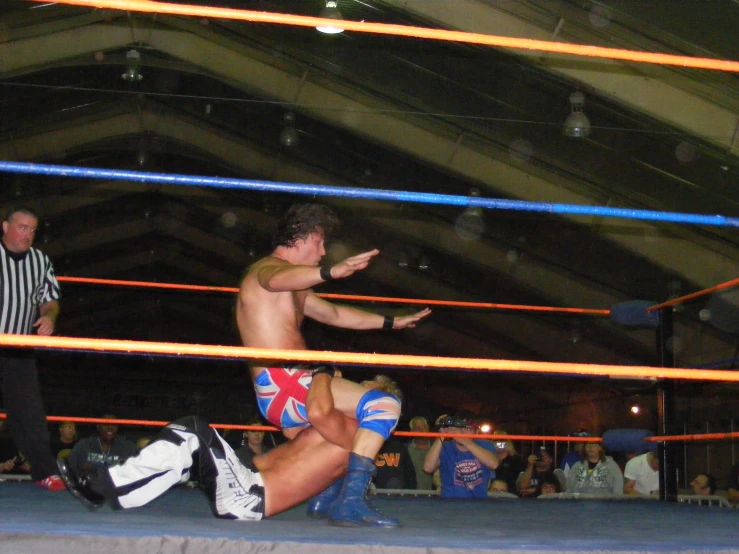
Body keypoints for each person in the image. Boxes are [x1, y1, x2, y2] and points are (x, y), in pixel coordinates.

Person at [236, 203, 431, 527]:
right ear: (303, 238)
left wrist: (390, 322)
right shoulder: (265, 270)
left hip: (283, 390)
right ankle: (351, 502)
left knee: (352, 434)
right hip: (286, 382)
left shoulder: (296, 287)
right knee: (383, 405)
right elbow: (275, 279)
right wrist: (330, 273)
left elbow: (336, 315)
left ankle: (327, 497)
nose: (323, 251)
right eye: (320, 242)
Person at [58, 379, 363, 522]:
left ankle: (102, 486)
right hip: (247, 484)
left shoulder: (353, 431)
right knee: (185, 450)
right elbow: (280, 435)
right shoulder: (336, 431)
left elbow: (320, 411)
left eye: (361, 387)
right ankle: (120, 494)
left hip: (249, 498)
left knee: (194, 429)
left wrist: (324, 372)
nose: (350, 387)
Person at [0, 206, 64, 491]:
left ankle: (45, 471)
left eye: (32, 229)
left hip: (19, 347)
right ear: (5, 227)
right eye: (22, 227)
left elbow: (49, 300)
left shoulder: (40, 261)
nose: (27, 234)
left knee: (30, 412)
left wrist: (49, 317)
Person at [422, 412, 499, 498]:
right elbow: (427, 468)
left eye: (468, 429)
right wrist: (441, 435)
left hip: (478, 504)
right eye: (459, 428)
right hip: (449, 503)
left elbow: (494, 464)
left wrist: (464, 441)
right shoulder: (445, 446)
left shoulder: (485, 445)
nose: (463, 432)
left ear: (476, 432)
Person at [67, 415, 137, 475]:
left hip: (118, 488)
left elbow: (135, 472)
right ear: (98, 427)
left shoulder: (128, 447)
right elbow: (70, 468)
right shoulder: (84, 445)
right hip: (87, 487)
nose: (110, 428)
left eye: (114, 425)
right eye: (105, 424)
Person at [492, 430, 526, 496]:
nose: (500, 443)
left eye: (502, 441)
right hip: (492, 491)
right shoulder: (489, 457)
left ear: (508, 442)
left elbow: (521, 474)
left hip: (510, 493)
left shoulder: (515, 459)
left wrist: (512, 453)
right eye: (496, 440)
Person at [406, 416, 434, 491]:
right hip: (412, 496)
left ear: (428, 428)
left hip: (435, 496)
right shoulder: (405, 450)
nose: (421, 430)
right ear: (411, 431)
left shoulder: (436, 448)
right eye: (417, 428)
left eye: (423, 427)